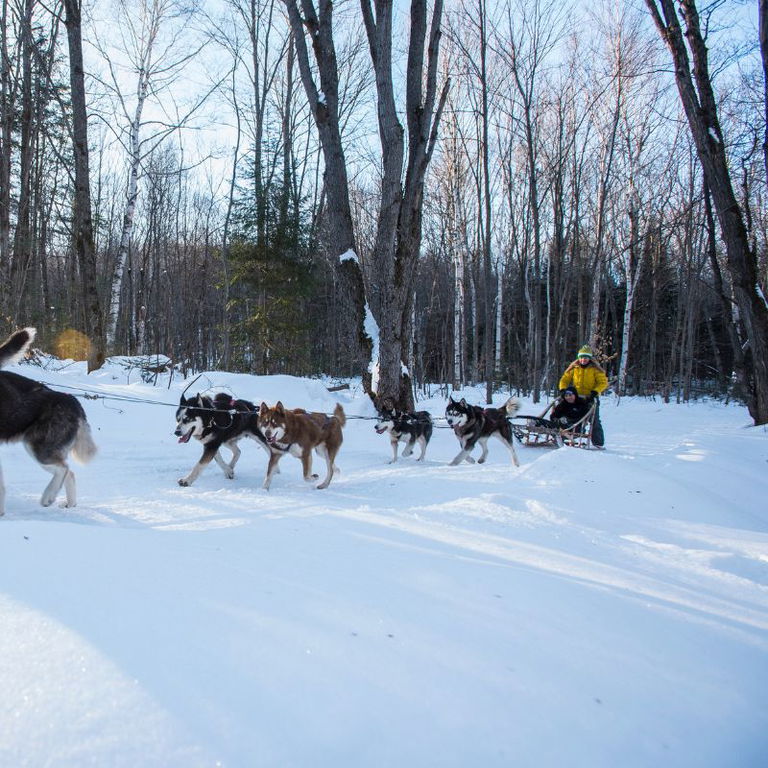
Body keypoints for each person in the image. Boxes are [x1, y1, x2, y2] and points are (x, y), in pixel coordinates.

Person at [558, 344, 608, 447]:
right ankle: (567, 437)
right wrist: (563, 389)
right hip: (576, 398)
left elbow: (603, 383)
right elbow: (565, 379)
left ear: (589, 359)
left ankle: (598, 443)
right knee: (571, 417)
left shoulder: (595, 369)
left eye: (585, 358)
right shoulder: (574, 368)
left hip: (590, 398)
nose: (583, 360)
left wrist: (594, 392)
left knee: (594, 421)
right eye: (581, 357)